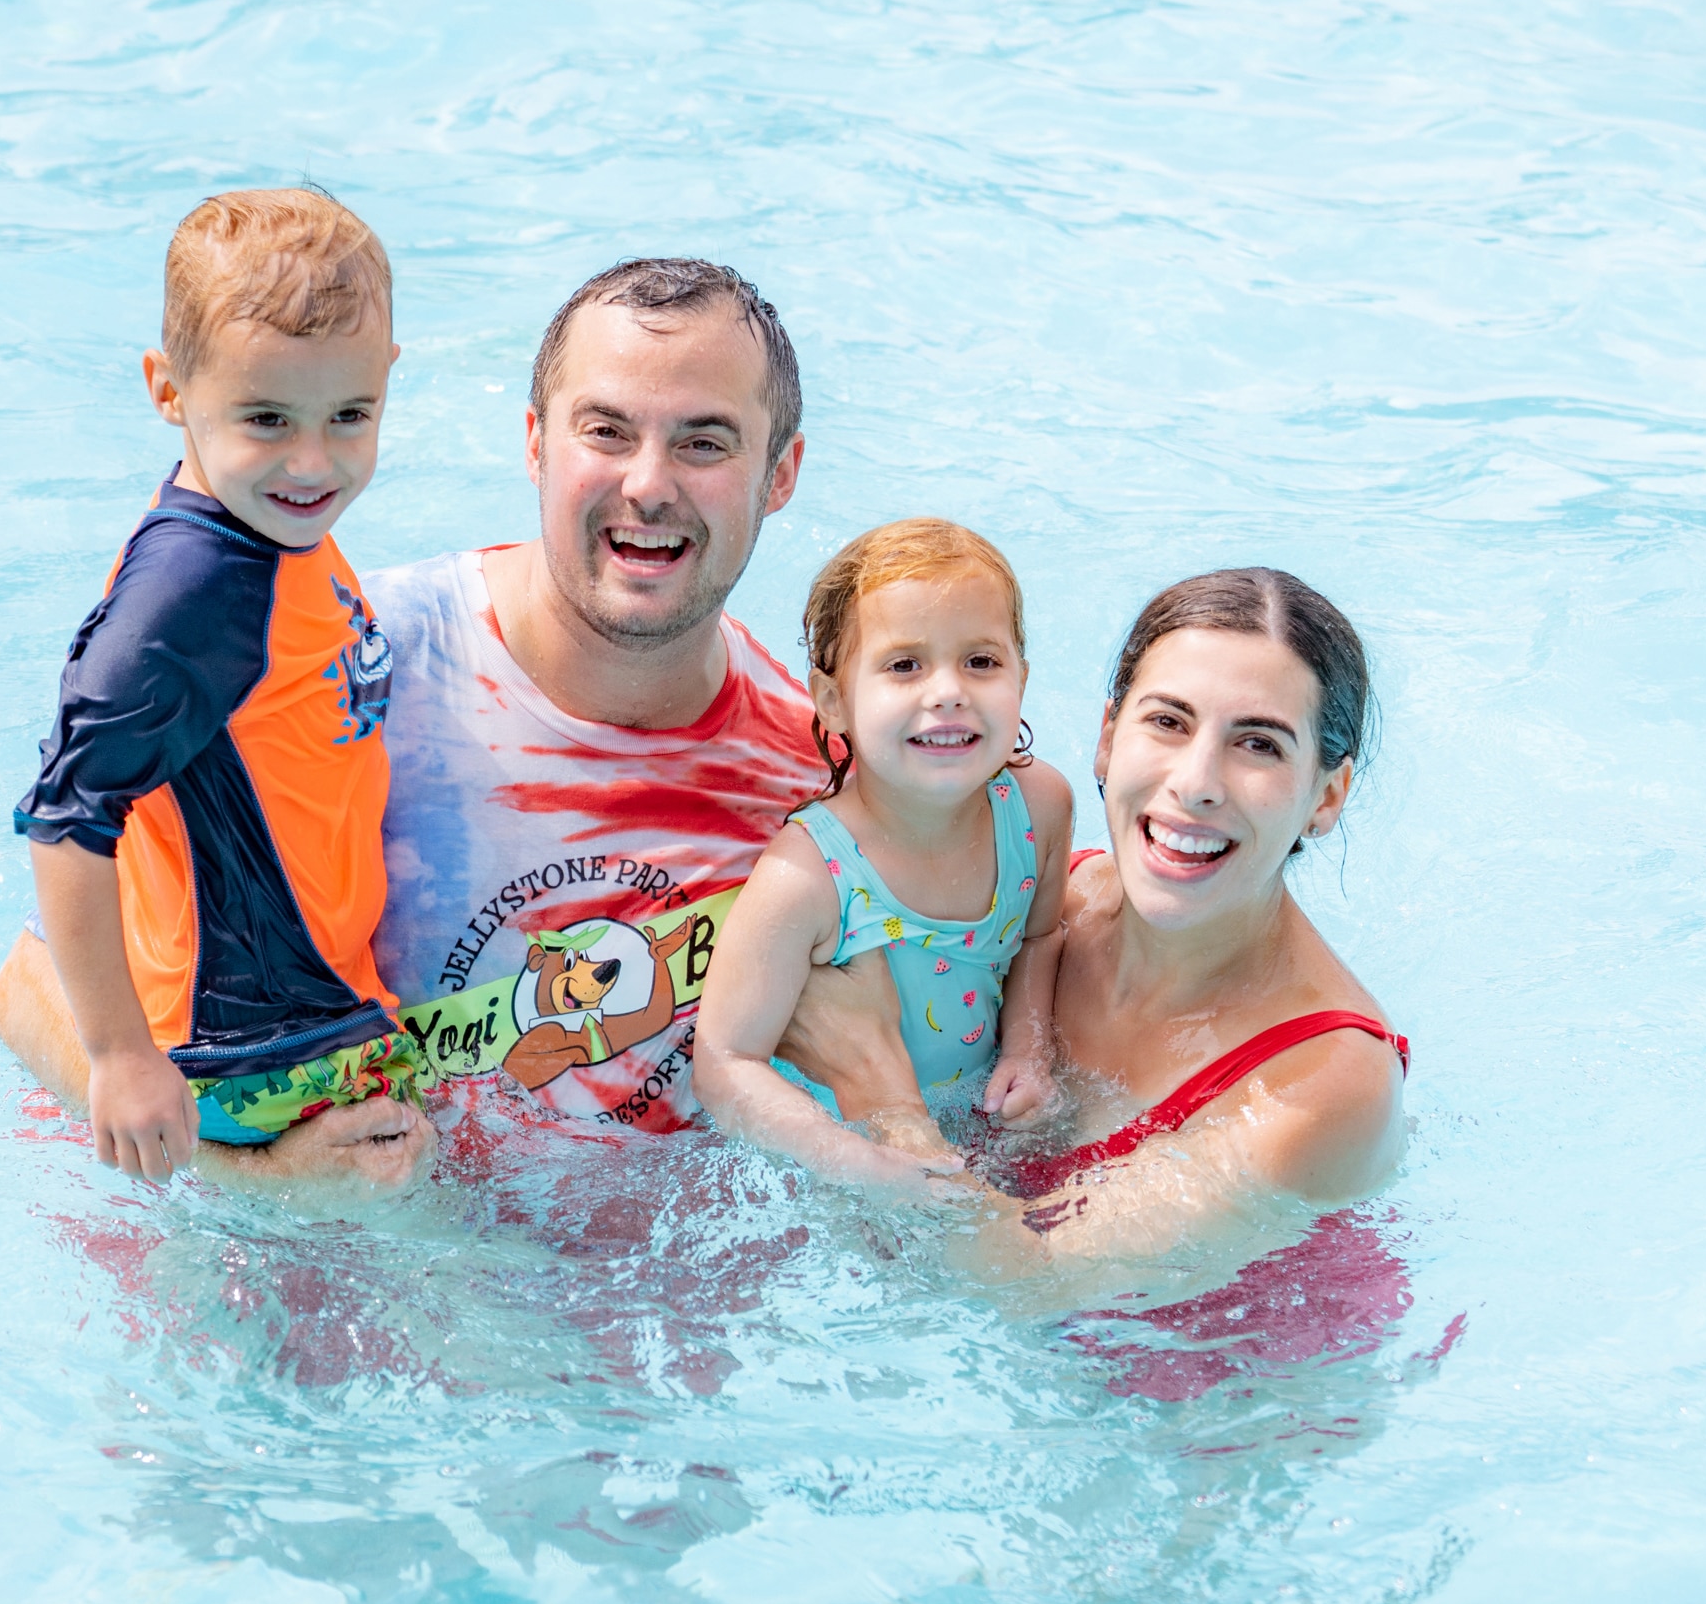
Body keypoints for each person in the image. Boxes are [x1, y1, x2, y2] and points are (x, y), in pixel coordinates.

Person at [776, 568, 1409, 1285]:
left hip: (1213, 1386)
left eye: (1258, 744)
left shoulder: (1324, 1083)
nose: (1196, 781)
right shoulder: (1042, 903)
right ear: (1107, 737)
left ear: (1327, 796)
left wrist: (876, 1091)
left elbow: (1030, 1285)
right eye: (1167, 722)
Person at [0, 187, 436, 1193]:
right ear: (168, 388)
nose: (313, 461)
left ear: (386, 379)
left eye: (350, 414)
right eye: (267, 418)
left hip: (308, 1001)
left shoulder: (273, 522)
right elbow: (67, 816)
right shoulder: (193, 594)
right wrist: (117, 1057)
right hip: (260, 1049)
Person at [359, 258, 832, 1137]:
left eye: (702, 442)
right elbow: (47, 983)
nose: (649, 485)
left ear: (779, 473)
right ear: (536, 442)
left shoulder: (814, 784)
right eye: (607, 431)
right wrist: (251, 1170)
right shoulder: (361, 668)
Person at [693, 518, 1074, 1191]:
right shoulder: (806, 875)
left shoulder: (1037, 808)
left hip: (972, 1125)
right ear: (833, 701)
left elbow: (1040, 936)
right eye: (904, 665)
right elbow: (725, 1061)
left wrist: (1028, 1049)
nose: (948, 690)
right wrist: (854, 1161)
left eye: (981, 661)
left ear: (1022, 677)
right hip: (844, 1158)